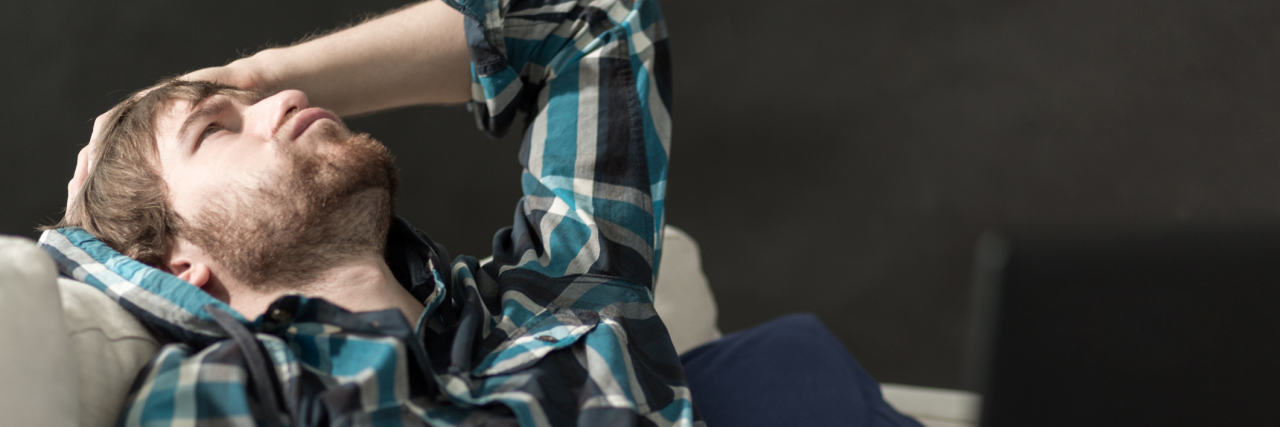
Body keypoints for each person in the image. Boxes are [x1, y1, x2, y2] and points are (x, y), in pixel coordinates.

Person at [48, 0, 925, 425]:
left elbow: (599, 24)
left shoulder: (562, 292)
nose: (282, 103)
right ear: (174, 265)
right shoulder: (232, 393)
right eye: (217, 130)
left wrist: (247, 73)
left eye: (266, 95)